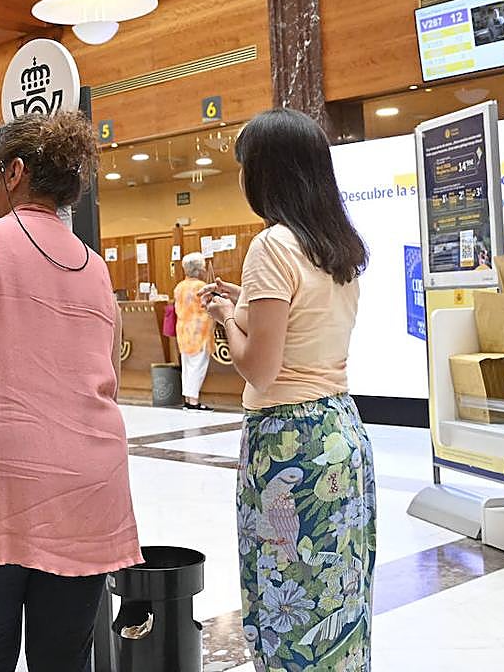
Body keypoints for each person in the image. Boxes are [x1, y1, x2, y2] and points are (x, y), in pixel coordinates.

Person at [0, 114, 141, 672]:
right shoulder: (96, 267)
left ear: (13, 173)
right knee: (63, 657)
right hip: (90, 483)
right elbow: (106, 373)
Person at [200, 109, 375, 672]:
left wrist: (227, 313)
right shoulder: (336, 244)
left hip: (288, 444)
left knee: (286, 604)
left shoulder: (272, 246)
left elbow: (261, 368)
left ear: (269, 172)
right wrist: (245, 302)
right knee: (338, 599)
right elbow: (299, 334)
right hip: (340, 432)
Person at [174, 252, 214, 410]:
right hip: (199, 330)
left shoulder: (179, 287)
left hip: (183, 330)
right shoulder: (200, 287)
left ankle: (188, 399)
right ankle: (194, 401)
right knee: (198, 366)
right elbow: (208, 306)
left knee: (187, 366)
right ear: (198, 269)